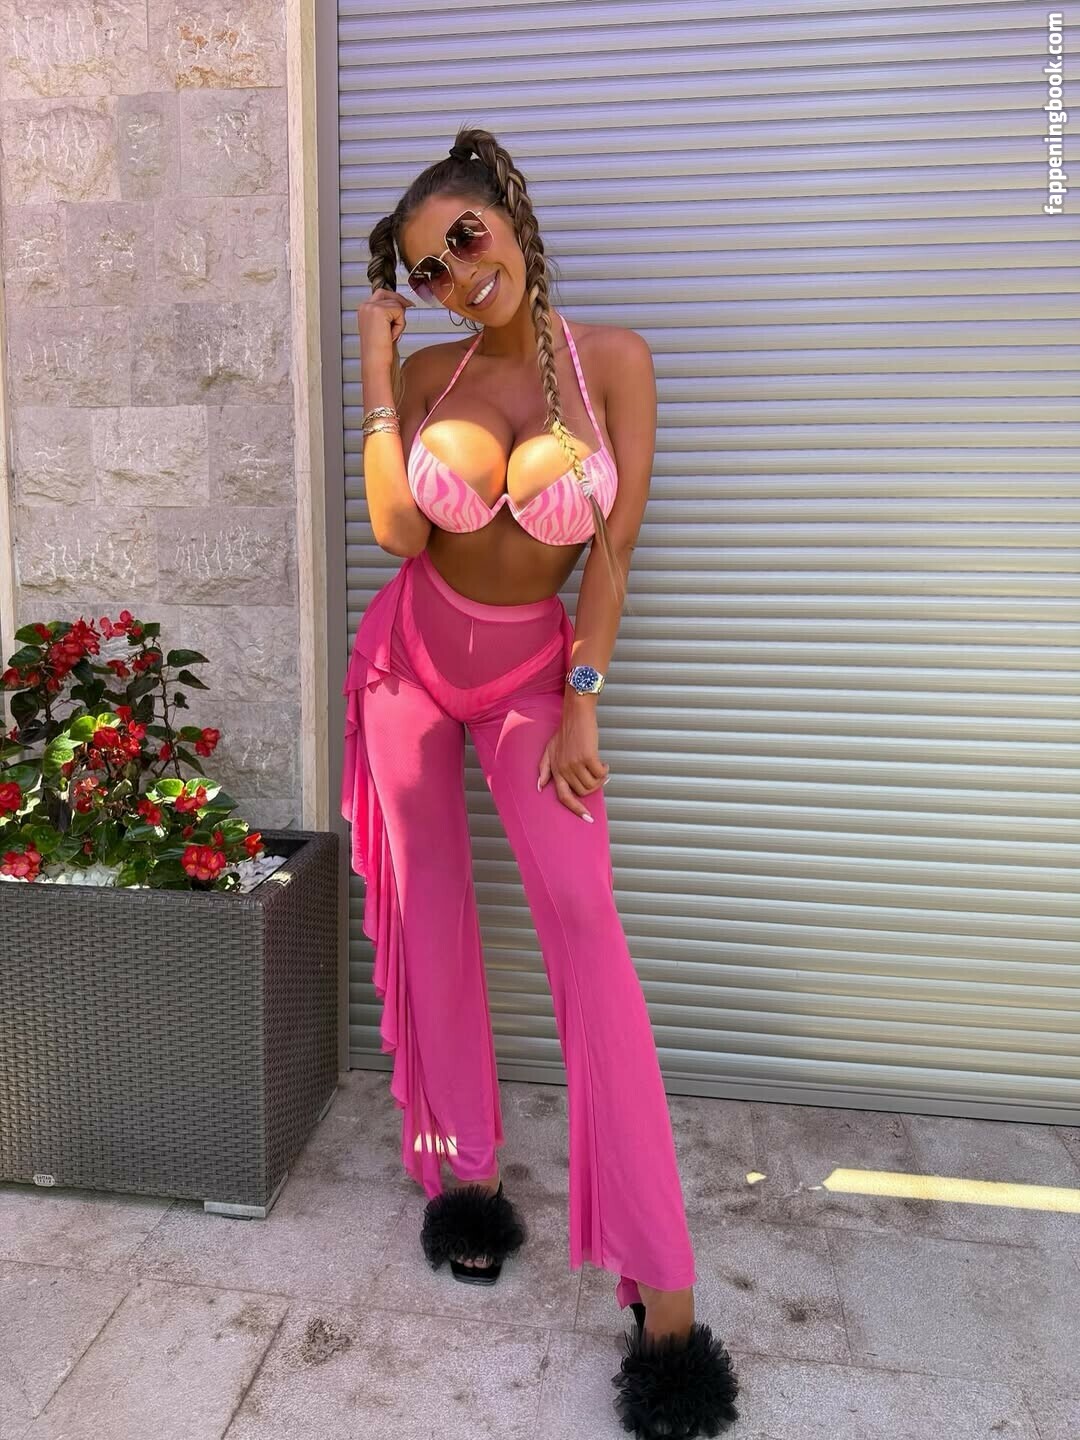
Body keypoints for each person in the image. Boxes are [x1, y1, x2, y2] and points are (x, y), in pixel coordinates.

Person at [341, 126, 739, 1438]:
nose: (459, 274)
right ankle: (463, 1177)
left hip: (530, 684)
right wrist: (377, 370)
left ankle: (663, 1291)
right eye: (429, 268)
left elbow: (611, 553)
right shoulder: (430, 369)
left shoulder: (610, 362)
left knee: (583, 921)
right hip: (406, 666)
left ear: (509, 217)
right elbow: (397, 529)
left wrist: (583, 700)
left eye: (466, 238)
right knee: (433, 917)